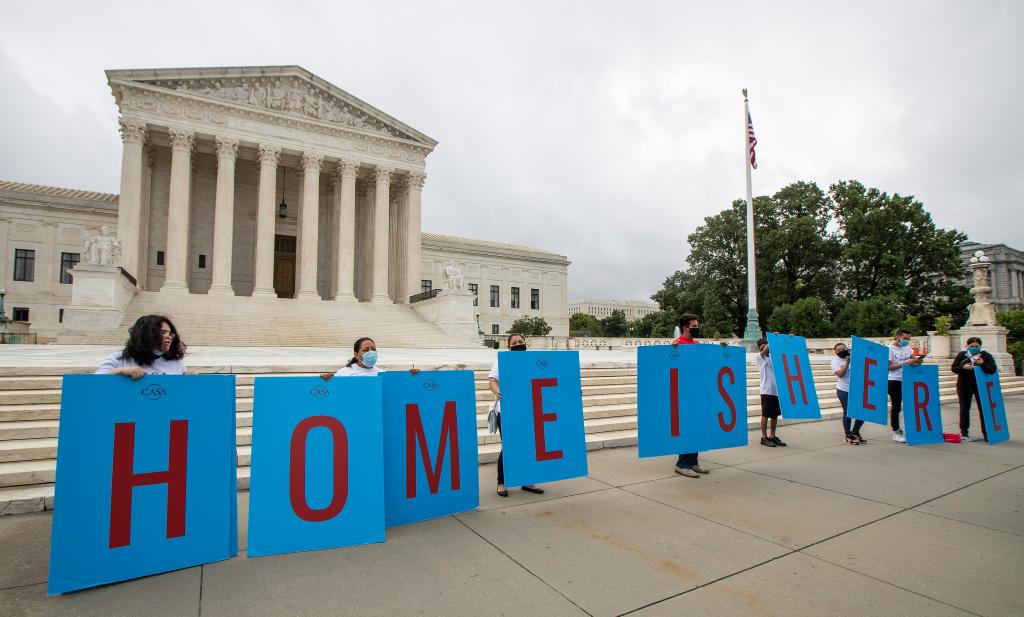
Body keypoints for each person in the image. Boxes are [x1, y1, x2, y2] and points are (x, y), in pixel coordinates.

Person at [490, 333, 544, 497]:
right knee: (508, 446)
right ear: (508, 346)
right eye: (514, 342)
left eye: (521, 341)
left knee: (529, 445)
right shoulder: (502, 361)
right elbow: (492, 380)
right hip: (507, 410)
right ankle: (501, 482)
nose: (518, 344)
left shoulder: (532, 361)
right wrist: (498, 392)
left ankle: (527, 481)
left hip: (528, 410)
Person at [671, 313, 710, 478]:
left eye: (697, 325)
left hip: (697, 393)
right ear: (685, 327)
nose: (697, 328)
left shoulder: (697, 344)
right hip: (684, 394)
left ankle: (693, 462)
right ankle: (682, 464)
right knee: (686, 428)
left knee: (696, 428)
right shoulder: (677, 345)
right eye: (694, 326)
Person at [96, 315, 186, 378]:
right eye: (162, 332)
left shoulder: (176, 361)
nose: (169, 336)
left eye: (170, 333)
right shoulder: (118, 358)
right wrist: (121, 371)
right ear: (146, 335)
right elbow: (94, 384)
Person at [951, 336, 998, 442]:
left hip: (980, 386)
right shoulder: (962, 355)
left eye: (977, 346)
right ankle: (964, 432)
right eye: (972, 346)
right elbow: (954, 368)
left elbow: (992, 370)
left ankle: (987, 433)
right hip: (964, 386)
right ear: (967, 346)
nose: (974, 348)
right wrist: (963, 368)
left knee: (983, 409)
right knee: (964, 409)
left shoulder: (986, 356)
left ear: (980, 346)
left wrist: (983, 364)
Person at [321, 337, 421, 379]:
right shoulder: (344, 373)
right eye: (366, 350)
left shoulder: (382, 374)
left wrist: (412, 376)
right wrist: (325, 379)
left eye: (373, 349)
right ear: (356, 354)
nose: (371, 352)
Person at [887, 329, 924, 443]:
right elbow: (889, 367)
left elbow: (913, 358)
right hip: (894, 380)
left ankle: (910, 428)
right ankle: (896, 430)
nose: (907, 341)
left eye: (908, 338)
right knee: (896, 406)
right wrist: (905, 363)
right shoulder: (889, 349)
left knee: (909, 405)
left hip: (908, 379)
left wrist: (917, 361)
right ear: (897, 337)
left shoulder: (907, 348)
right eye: (905, 338)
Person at [755, 338, 786, 447]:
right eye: (762, 346)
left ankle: (772, 436)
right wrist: (772, 339)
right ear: (759, 347)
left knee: (775, 415)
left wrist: (788, 339)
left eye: (766, 345)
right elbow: (764, 351)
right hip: (766, 390)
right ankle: (764, 437)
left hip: (776, 390)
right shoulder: (759, 357)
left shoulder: (773, 357)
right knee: (765, 414)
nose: (765, 348)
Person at [832, 342, 863, 444]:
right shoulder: (835, 361)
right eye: (839, 350)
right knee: (848, 412)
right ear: (836, 353)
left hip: (857, 389)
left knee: (862, 412)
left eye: (843, 349)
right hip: (844, 390)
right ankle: (848, 435)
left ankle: (855, 431)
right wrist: (847, 363)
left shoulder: (855, 358)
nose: (842, 351)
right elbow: (840, 374)